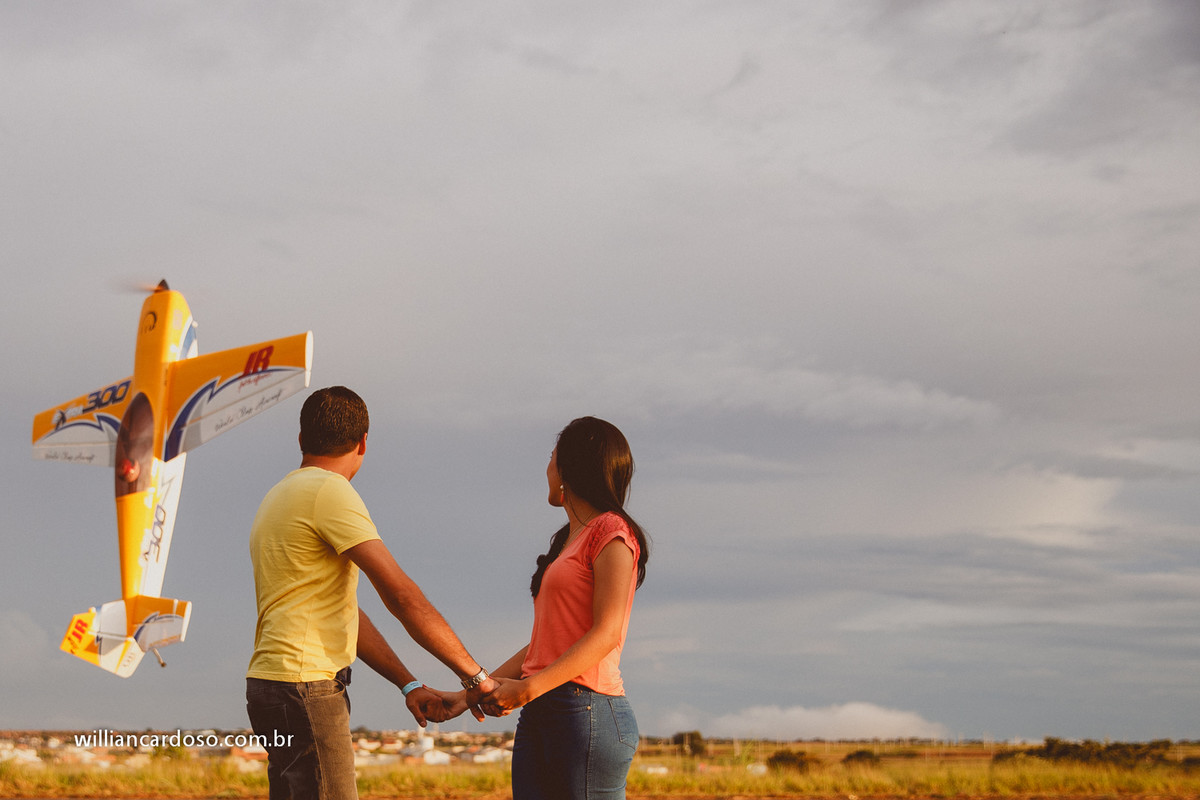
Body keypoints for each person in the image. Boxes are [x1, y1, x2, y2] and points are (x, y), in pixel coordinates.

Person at [245, 386, 495, 800]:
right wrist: (476, 676)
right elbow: (401, 595)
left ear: (302, 439)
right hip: (308, 689)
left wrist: (408, 684)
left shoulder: (279, 496)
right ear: (363, 443)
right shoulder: (330, 492)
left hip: (272, 688)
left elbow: (343, 613)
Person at [480, 416, 651, 800]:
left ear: (567, 470)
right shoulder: (567, 541)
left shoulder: (612, 532)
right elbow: (545, 642)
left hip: (585, 710)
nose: (547, 469)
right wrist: (474, 690)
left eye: (551, 458)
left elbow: (607, 633)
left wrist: (526, 690)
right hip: (543, 708)